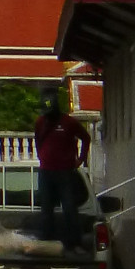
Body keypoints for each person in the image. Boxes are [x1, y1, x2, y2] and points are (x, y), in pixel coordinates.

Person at [36, 85, 92, 253]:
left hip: (65, 172)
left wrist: (80, 159)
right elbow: (38, 142)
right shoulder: (40, 122)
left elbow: (86, 138)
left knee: (69, 208)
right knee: (46, 209)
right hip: (46, 172)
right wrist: (43, 158)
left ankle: (74, 244)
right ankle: (47, 242)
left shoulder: (69, 122)